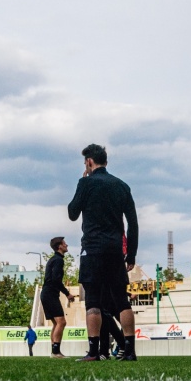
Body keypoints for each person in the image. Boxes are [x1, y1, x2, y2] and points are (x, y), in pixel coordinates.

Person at [67, 143, 139, 362]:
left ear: (89, 162)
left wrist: (83, 181)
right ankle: (130, 351)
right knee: (121, 301)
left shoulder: (86, 183)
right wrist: (131, 254)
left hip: (92, 249)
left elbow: (72, 213)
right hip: (115, 250)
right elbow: (133, 223)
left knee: (94, 302)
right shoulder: (122, 186)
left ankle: (94, 351)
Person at [41, 237, 76, 358]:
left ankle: (54, 352)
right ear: (59, 246)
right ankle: (56, 352)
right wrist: (67, 293)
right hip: (50, 293)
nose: (67, 245)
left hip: (46, 293)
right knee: (61, 322)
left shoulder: (54, 259)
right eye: (64, 243)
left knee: (56, 324)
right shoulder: (58, 260)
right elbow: (56, 280)